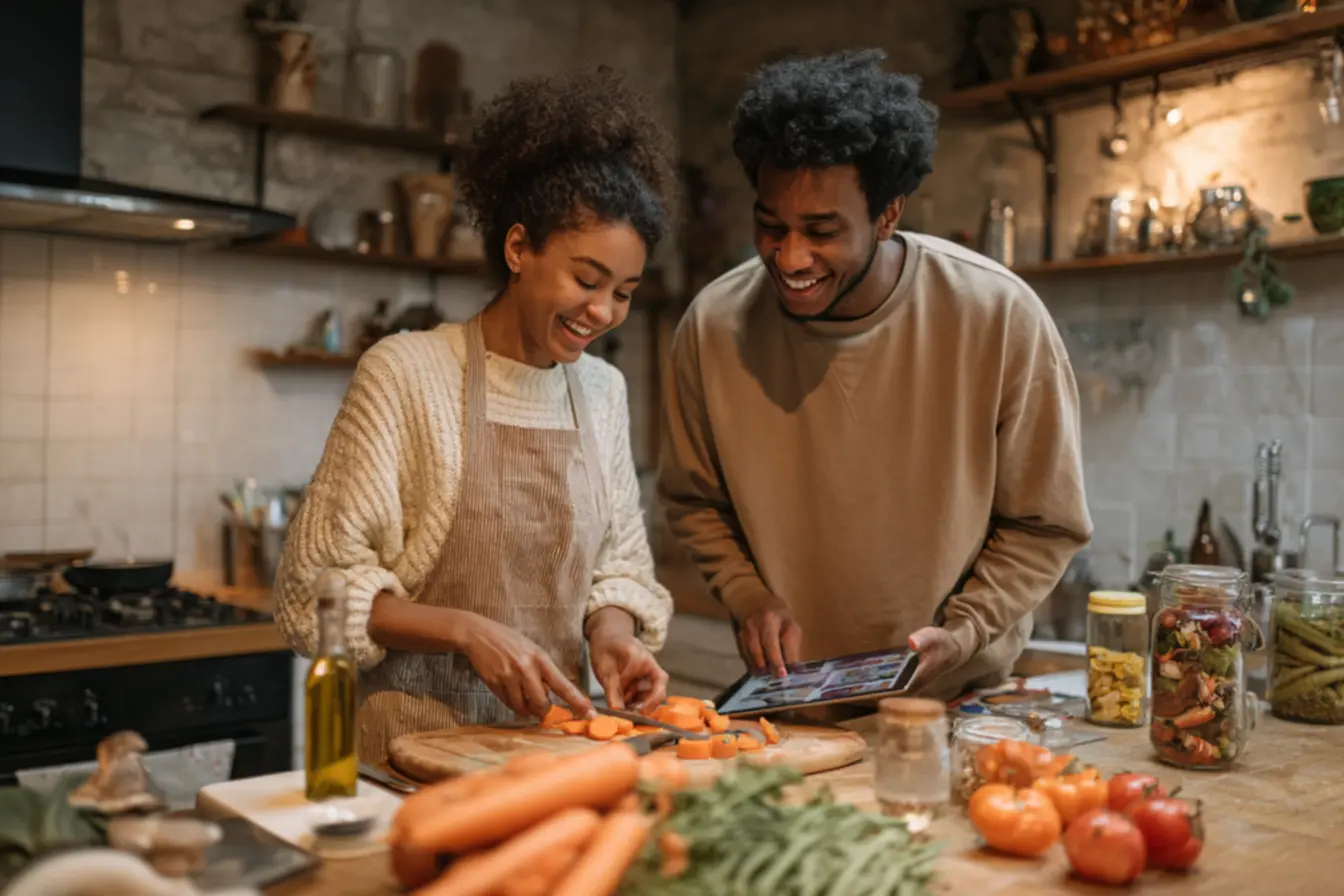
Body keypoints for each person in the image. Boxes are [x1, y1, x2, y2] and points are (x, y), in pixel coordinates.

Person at [658, 49, 1093, 703]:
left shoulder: (997, 315)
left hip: (949, 706)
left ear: (888, 214)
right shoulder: (713, 326)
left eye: (822, 230)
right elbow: (695, 503)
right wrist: (747, 595)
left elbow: (1044, 523)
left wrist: (965, 630)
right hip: (790, 705)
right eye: (770, 225)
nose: (790, 255)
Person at [275, 67, 676, 762]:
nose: (603, 313)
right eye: (587, 279)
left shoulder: (604, 391)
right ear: (518, 248)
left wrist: (614, 635)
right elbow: (317, 590)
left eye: (624, 292)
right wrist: (466, 630)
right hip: (400, 755)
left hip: (552, 756)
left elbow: (618, 568)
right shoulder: (406, 372)